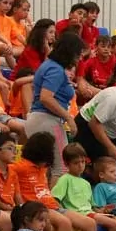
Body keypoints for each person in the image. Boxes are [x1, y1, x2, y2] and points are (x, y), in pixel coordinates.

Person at [25, 32, 84, 180]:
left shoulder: (48, 65)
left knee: (44, 169)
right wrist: (68, 118)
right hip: (48, 121)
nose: (79, 58)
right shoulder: (56, 70)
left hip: (38, 119)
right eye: (78, 54)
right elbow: (46, 98)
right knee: (61, 168)